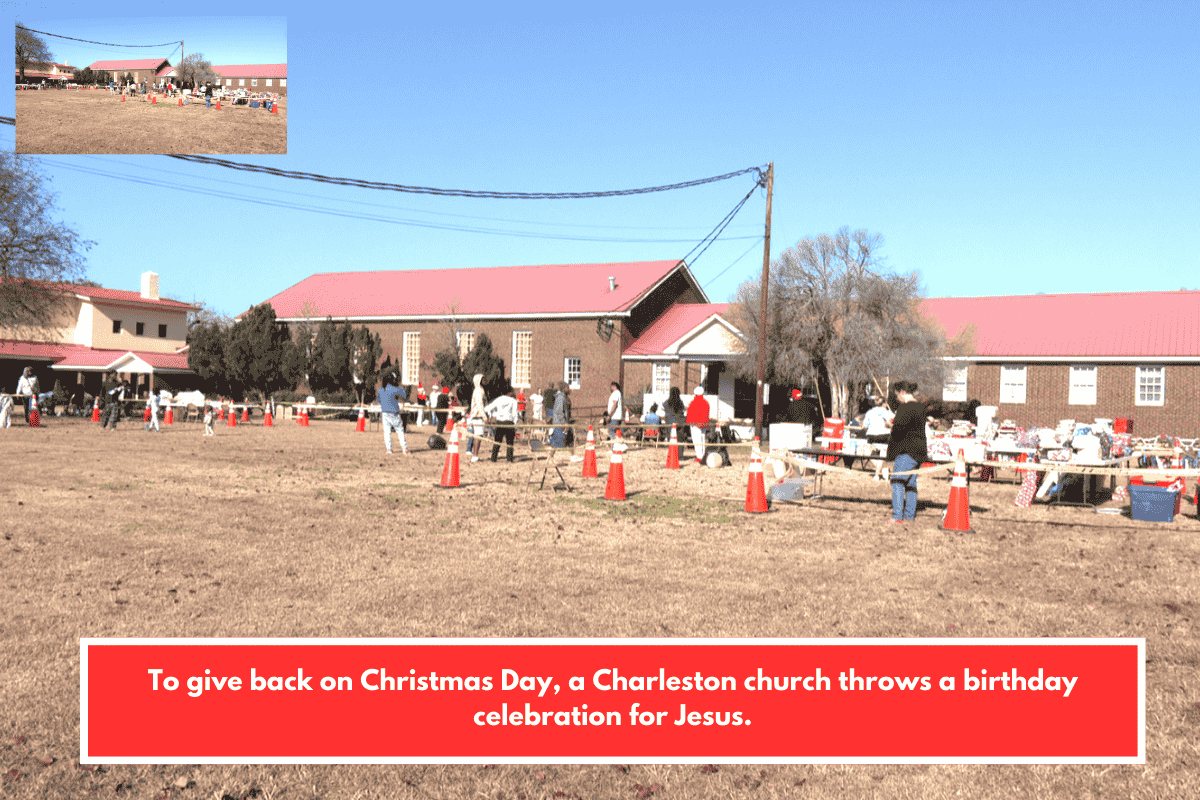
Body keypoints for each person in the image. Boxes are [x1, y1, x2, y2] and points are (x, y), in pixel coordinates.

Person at [886, 381, 928, 523]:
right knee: (910, 483)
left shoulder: (905, 408)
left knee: (897, 481)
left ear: (902, 392)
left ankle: (897, 516)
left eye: (897, 395)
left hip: (906, 451)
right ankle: (909, 515)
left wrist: (890, 425)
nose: (897, 398)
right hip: (919, 451)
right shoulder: (921, 407)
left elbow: (899, 429)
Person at [862, 396, 895, 480]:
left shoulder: (869, 412)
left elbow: (864, 426)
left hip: (871, 436)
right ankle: (882, 470)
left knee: (869, 454)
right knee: (882, 455)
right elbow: (893, 420)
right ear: (884, 403)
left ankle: (878, 473)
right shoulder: (886, 412)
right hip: (884, 435)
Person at [376, 373, 409, 455]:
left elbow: (379, 400)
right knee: (400, 430)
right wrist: (406, 387)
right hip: (394, 413)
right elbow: (405, 396)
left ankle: (389, 449)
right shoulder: (395, 389)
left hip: (385, 413)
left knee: (387, 432)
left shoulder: (380, 390)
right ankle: (405, 449)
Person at [484, 385, 519, 463]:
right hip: (509, 422)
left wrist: (491, 415)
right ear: (510, 392)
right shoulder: (513, 400)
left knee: (497, 441)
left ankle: (493, 458)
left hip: (500, 422)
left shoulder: (498, 399)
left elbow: (487, 408)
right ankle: (509, 459)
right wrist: (515, 424)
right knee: (510, 442)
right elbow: (515, 414)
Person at [685, 386, 710, 464]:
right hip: (703, 424)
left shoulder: (693, 402)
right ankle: (703, 455)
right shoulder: (706, 402)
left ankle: (699, 457)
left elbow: (689, 412)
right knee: (702, 440)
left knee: (696, 441)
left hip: (695, 424)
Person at [661, 387, 686, 461]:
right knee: (680, 440)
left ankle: (672, 455)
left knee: (671, 440)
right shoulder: (680, 403)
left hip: (670, 423)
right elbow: (682, 411)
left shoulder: (666, 403)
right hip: (679, 423)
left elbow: (664, 410)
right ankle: (680, 456)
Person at [467, 373, 487, 462]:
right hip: (478, 416)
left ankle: (474, 454)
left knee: (478, 436)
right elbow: (479, 405)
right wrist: (484, 416)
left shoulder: (478, 390)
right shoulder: (479, 390)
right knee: (478, 436)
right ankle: (475, 456)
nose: (484, 381)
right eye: (482, 379)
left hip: (477, 416)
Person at [551, 381, 571, 449]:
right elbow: (559, 412)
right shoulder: (561, 398)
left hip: (562, 422)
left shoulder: (564, 397)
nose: (569, 389)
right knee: (557, 443)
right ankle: (550, 455)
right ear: (563, 389)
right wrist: (564, 423)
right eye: (567, 388)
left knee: (568, 440)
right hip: (559, 423)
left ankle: (573, 454)